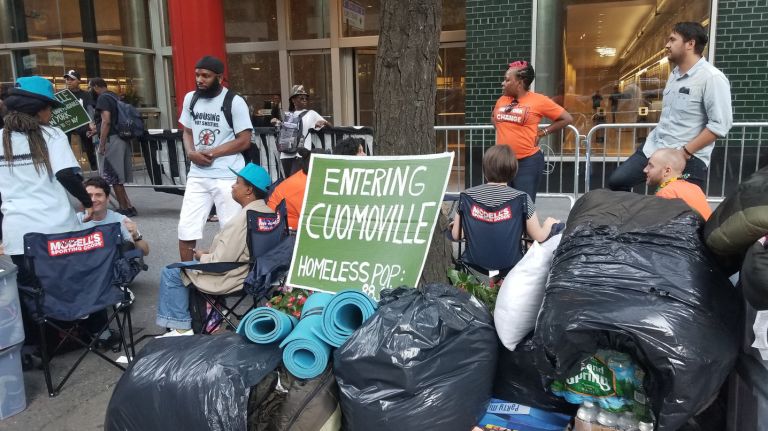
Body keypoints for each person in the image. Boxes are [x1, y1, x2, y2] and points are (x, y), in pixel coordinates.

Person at [0, 76, 94, 352]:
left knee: (28, 289)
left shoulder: (1, 138)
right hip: (55, 227)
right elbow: (66, 174)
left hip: (18, 231)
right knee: (62, 283)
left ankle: (38, 343)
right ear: (39, 108)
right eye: (49, 107)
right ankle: (69, 334)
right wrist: (86, 201)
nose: (51, 113)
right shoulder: (51, 135)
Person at [607, 22, 733, 192]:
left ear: (690, 44)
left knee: (679, 204)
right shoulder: (674, 74)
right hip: (654, 148)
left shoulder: (712, 78)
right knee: (617, 181)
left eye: (673, 40)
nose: (667, 45)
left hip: (687, 157)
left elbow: (720, 125)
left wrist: (685, 152)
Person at [156, 163, 272, 337]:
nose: (233, 186)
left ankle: (181, 328)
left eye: (237, 182)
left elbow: (221, 262)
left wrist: (202, 256)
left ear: (249, 190)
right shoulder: (269, 213)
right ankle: (215, 314)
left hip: (235, 277)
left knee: (171, 272)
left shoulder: (242, 220)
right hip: (258, 274)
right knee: (187, 267)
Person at [177, 55, 253, 262]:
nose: (200, 80)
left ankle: (229, 275)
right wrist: (190, 152)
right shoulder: (190, 98)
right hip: (198, 175)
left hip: (227, 176)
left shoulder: (234, 101)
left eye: (206, 76)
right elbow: (187, 132)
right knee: (186, 228)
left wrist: (211, 153)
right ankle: (186, 274)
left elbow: (244, 140)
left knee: (231, 231)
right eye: (197, 75)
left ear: (219, 78)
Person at [451, 145, 559, 271]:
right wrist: (549, 224)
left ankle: (494, 278)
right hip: (511, 262)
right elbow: (539, 237)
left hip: (475, 261)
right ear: (513, 171)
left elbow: (456, 235)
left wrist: (460, 224)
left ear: (484, 169)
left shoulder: (466, 196)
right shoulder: (522, 198)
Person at [491, 61, 573, 202]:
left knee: (524, 205)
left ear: (519, 83)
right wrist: (503, 130)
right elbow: (493, 117)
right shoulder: (502, 100)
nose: (503, 83)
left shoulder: (539, 100)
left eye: (507, 80)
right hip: (503, 161)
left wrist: (542, 133)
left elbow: (566, 118)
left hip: (527, 163)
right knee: (502, 204)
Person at [89, 77, 136, 216]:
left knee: (114, 176)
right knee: (117, 176)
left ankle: (124, 208)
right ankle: (128, 206)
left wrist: (102, 144)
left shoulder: (103, 98)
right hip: (121, 138)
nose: (90, 91)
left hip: (112, 139)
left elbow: (106, 121)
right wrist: (97, 130)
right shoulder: (114, 96)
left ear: (96, 86)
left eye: (90, 87)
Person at [78, 176, 149, 255]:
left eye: (98, 195)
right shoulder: (76, 220)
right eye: (89, 195)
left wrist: (136, 236)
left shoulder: (120, 220)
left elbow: (145, 252)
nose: (93, 199)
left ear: (107, 198)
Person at [271, 84, 331, 176]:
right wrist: (276, 123)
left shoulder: (311, 114)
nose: (304, 100)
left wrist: (324, 122)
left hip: (300, 155)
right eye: (301, 98)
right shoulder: (288, 115)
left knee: (297, 181)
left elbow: (331, 126)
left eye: (306, 98)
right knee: (290, 182)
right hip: (287, 154)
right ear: (293, 100)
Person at [267, 147, 327, 230]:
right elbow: (314, 220)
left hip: (279, 224)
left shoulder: (303, 176)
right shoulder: (306, 185)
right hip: (282, 229)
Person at [643, 148, 712, 220]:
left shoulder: (666, 193)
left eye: (651, 166)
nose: (645, 170)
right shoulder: (695, 187)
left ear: (667, 171)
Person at [63, 69, 97, 171]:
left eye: (72, 79)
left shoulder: (86, 94)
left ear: (78, 81)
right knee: (65, 146)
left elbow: (90, 108)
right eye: (67, 79)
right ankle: (71, 170)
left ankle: (94, 168)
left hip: (83, 124)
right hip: (68, 125)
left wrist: (91, 123)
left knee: (89, 146)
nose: (69, 81)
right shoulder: (63, 95)